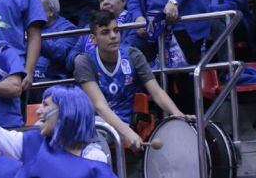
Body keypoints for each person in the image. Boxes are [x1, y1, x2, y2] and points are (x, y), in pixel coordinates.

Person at [75, 11, 192, 151]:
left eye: (116, 30)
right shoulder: (84, 61)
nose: (113, 36)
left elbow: (156, 92)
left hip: (124, 122)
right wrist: (127, 133)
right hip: (94, 123)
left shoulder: (133, 55)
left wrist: (178, 115)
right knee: (96, 137)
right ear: (93, 39)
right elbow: (100, 106)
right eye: (105, 32)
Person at [0, 85, 115, 177]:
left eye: (45, 105)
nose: (38, 111)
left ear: (66, 112)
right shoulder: (32, 142)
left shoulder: (94, 157)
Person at [35, 0, 78, 85]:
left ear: (50, 11)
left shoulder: (68, 29)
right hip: (28, 79)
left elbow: (59, 53)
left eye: (36, 9)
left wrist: (35, 35)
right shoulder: (30, 27)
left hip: (53, 82)